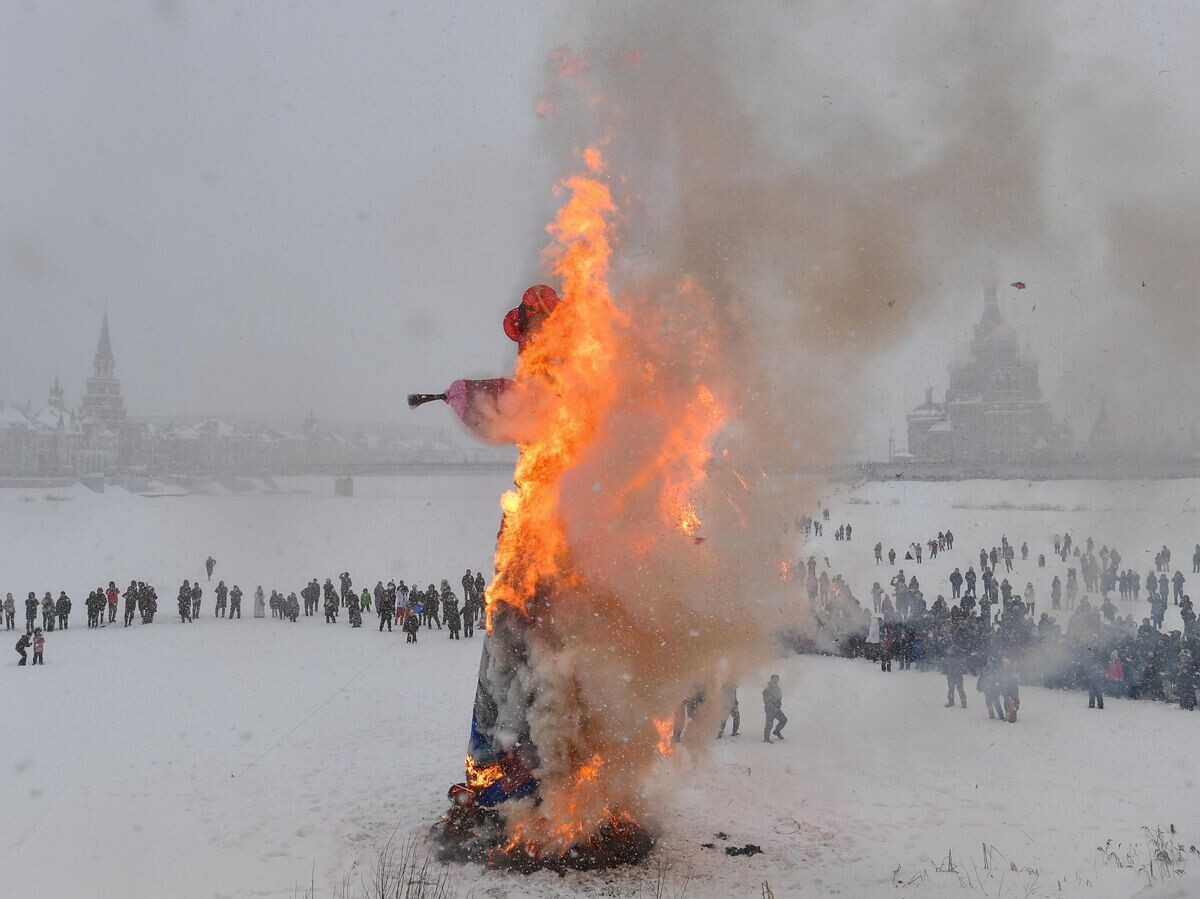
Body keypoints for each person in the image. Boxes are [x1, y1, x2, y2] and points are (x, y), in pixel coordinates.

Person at [762, 674, 787, 743]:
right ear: (771, 679)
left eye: (777, 679)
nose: (775, 680)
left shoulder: (778, 689)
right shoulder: (766, 690)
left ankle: (776, 731)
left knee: (783, 720)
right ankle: (766, 738)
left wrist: (778, 706)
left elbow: (779, 699)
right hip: (769, 709)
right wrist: (773, 707)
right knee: (769, 724)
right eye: (774, 679)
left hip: (777, 709)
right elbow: (766, 701)